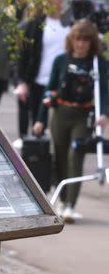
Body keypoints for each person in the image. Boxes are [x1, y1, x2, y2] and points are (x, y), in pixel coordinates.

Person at [31, 19, 108, 223]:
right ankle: (61, 200)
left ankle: (70, 205)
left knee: (76, 156)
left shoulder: (98, 63)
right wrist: (40, 119)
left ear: (91, 42)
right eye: (77, 39)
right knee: (60, 157)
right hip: (60, 113)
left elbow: (105, 92)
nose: (81, 44)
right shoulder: (61, 61)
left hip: (83, 116)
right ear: (71, 40)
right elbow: (49, 91)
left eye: (85, 40)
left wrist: (105, 114)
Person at [15, 0, 70, 137]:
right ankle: (35, 153)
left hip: (62, 82)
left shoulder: (68, 26)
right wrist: (22, 81)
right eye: (49, 0)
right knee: (37, 121)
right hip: (38, 80)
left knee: (60, 122)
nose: (52, 3)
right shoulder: (36, 24)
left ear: (61, 2)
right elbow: (24, 54)